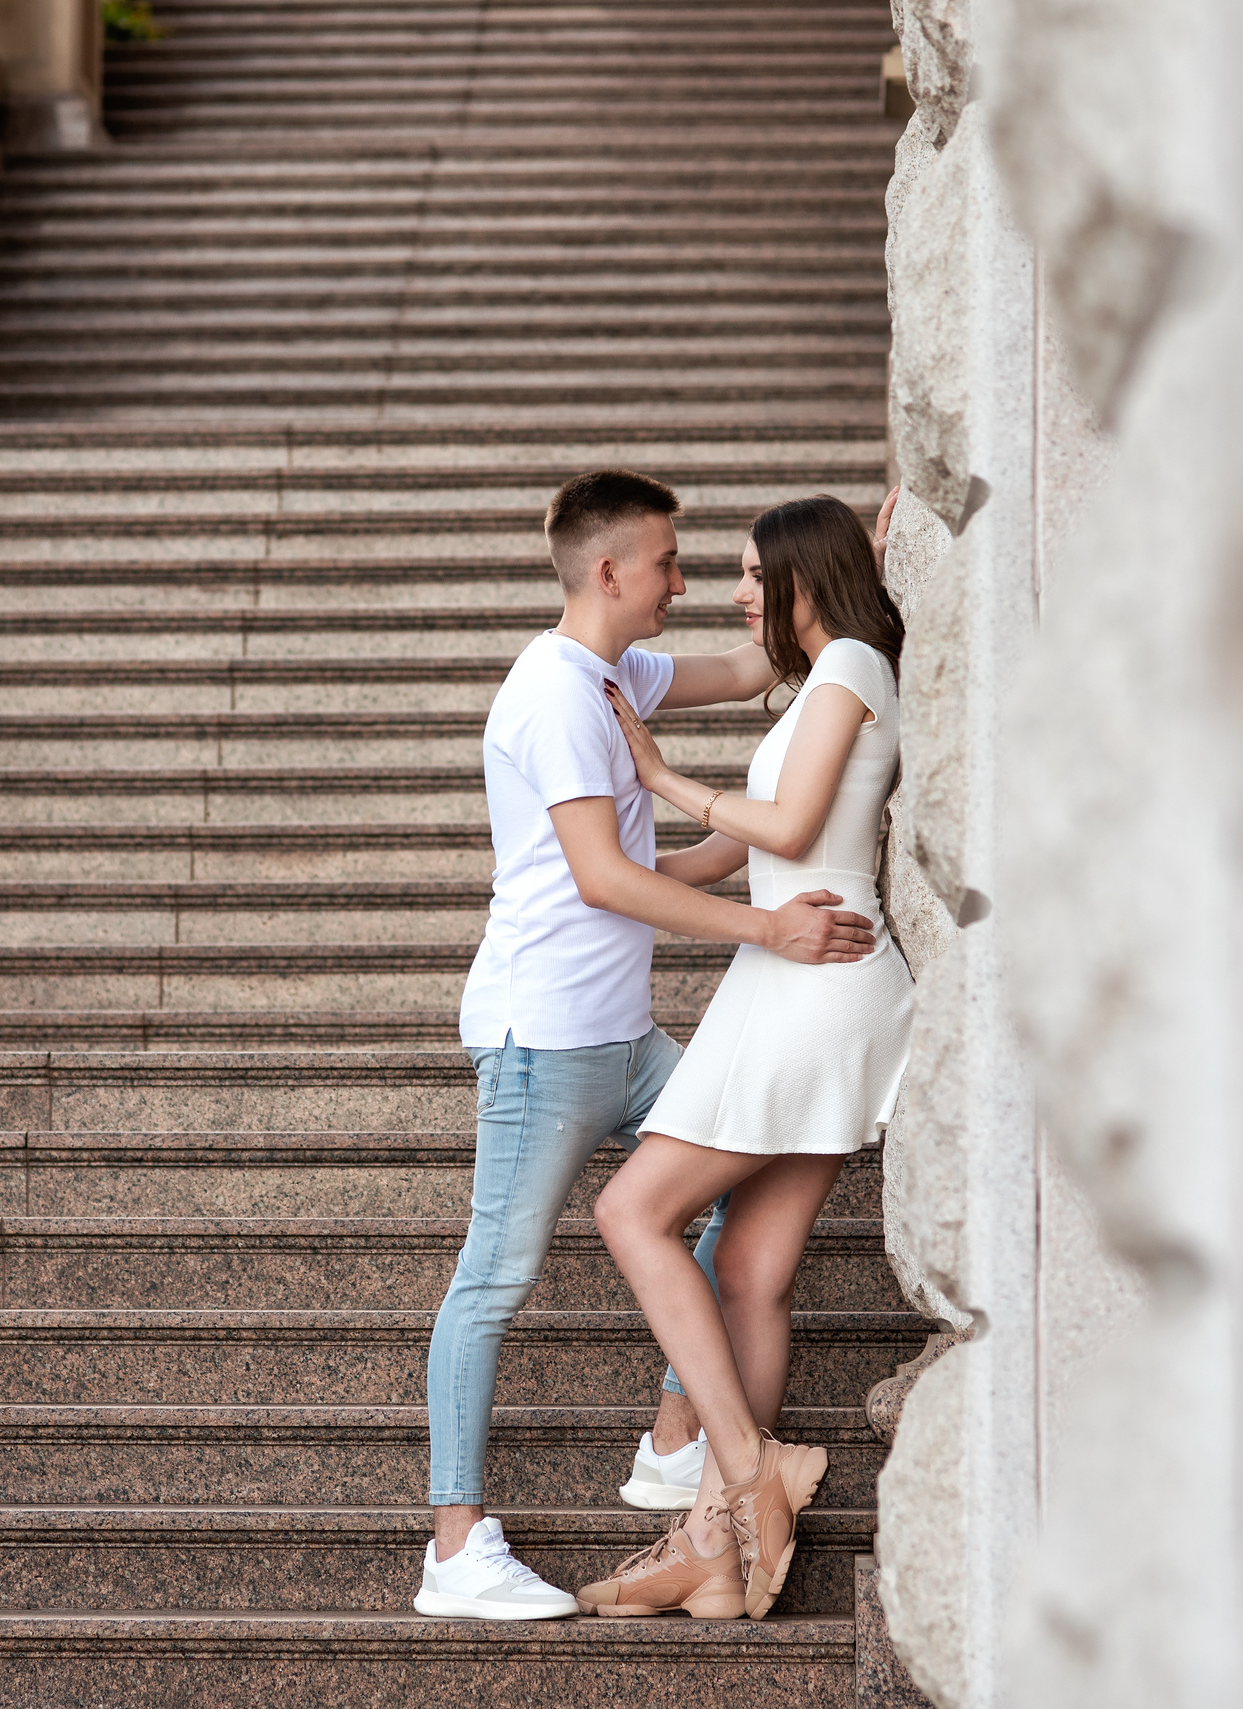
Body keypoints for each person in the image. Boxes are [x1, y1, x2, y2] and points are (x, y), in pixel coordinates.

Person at [415, 472, 880, 1620]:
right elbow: (605, 877)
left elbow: (765, 663)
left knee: (740, 1183)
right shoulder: (555, 694)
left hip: (623, 1038)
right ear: (609, 570)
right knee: (494, 1277)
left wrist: (863, 563)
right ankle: (455, 1542)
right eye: (669, 561)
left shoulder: (623, 674)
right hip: (542, 1038)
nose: (686, 582)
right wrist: (767, 927)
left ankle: (682, 1437)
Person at [574, 490, 915, 1622]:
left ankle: (743, 1468)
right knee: (751, 1271)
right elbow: (745, 848)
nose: (734, 594)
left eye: (755, 576)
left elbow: (792, 824)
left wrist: (661, 774)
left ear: (805, 581)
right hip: (793, 977)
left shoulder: (851, 665)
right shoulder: (829, 674)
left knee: (632, 1210)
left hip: (813, 983)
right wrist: (607, 872)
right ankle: (716, 1550)